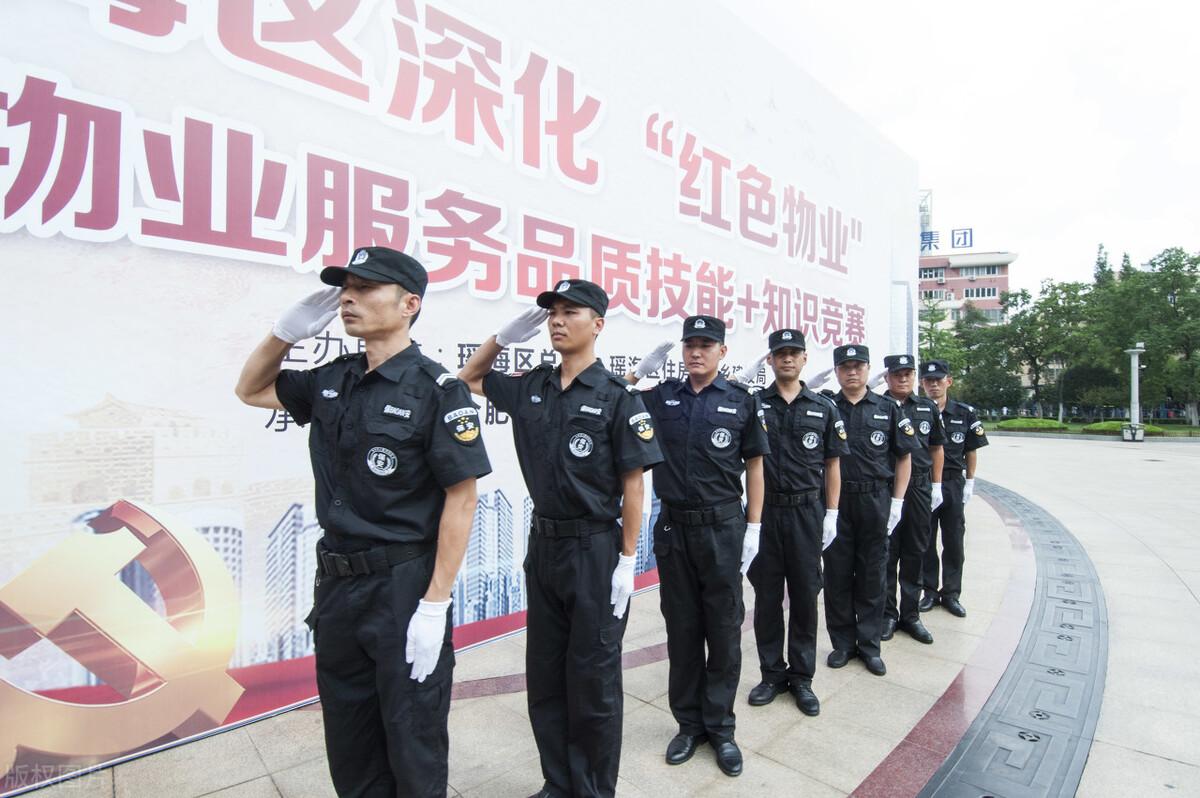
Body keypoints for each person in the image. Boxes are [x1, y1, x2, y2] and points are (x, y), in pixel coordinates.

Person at [235, 247, 492, 798]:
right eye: (344, 287)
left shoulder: (437, 390)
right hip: (338, 585)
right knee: (349, 737)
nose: (348, 298)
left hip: (402, 585)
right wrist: (283, 334)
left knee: (411, 736)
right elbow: (251, 389)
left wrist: (435, 604)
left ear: (408, 305)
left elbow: (462, 500)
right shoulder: (334, 379)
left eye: (366, 288)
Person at [457, 280, 662, 798]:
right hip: (543, 546)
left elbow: (635, 484)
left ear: (597, 324)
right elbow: (468, 378)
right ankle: (557, 782)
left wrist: (627, 560)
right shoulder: (533, 387)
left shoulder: (617, 397)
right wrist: (502, 338)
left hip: (595, 549)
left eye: (571, 312)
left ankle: (592, 790)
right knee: (546, 675)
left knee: (592, 679)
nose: (556, 320)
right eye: (551, 312)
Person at [628, 316, 768, 778]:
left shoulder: (741, 401)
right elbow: (610, 399)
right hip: (675, 528)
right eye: (690, 345)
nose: (696, 353)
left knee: (724, 630)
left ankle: (722, 729)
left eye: (706, 345)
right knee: (683, 629)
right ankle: (688, 725)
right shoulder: (661, 396)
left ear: (722, 352)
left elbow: (755, 467)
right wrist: (636, 375)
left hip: (724, 527)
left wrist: (754, 527)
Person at [738, 329, 846, 717]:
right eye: (779, 353)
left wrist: (831, 513)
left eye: (794, 353)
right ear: (769, 360)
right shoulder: (753, 405)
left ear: (804, 360)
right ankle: (771, 673)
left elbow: (832, 464)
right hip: (766, 514)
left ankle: (802, 677)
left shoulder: (823, 407)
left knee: (804, 596)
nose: (786, 359)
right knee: (766, 597)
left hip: (806, 513)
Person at [824, 344, 917, 676]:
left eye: (858, 366)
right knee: (836, 575)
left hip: (875, 500)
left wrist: (897, 501)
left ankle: (870, 645)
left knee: (873, 574)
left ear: (867, 369)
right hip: (836, 503)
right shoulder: (825, 407)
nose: (852, 371)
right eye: (845, 366)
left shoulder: (886, 408)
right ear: (836, 371)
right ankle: (843, 643)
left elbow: (904, 455)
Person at [880, 354, 944, 645]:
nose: (903, 379)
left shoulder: (927, 407)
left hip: (919, 487)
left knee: (916, 549)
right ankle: (888, 614)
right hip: (886, 488)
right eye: (897, 374)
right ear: (887, 378)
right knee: (887, 552)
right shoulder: (878, 406)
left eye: (908, 374)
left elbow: (936, 449)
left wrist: (937, 485)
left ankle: (911, 614)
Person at [919, 359, 989, 618]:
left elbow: (971, 449)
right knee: (925, 539)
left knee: (954, 540)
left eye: (938, 380)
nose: (934, 384)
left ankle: (951, 593)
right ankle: (928, 591)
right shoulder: (917, 411)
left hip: (952, 482)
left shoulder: (964, 413)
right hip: (924, 482)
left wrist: (970, 481)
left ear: (949, 381)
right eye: (928, 380)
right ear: (922, 383)